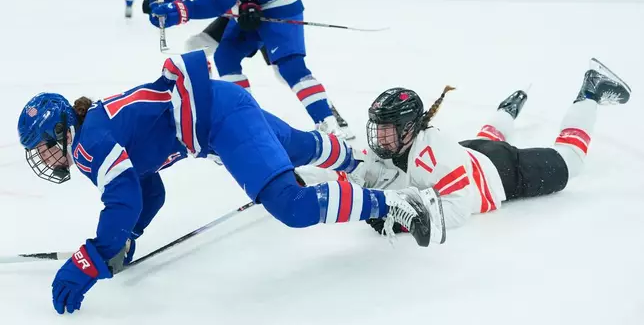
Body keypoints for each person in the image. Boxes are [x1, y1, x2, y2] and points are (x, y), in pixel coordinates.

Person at [17, 51, 444, 315]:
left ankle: (394, 203)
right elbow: (149, 189)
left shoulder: (89, 145)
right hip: (223, 106)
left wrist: (92, 258)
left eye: (41, 147)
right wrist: (126, 239)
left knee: (291, 205)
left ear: (60, 131)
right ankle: (357, 161)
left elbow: (125, 200)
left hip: (219, 121)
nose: (42, 158)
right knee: (296, 146)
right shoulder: (91, 130)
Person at [294, 58, 631, 238]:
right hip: (472, 154)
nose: (379, 139)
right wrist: (302, 179)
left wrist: (403, 219)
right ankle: (507, 109)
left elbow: (457, 209)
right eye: (378, 130)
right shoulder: (393, 150)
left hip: (501, 172)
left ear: (409, 129)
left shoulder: (434, 155)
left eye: (387, 131)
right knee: (485, 139)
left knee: (570, 162)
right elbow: (355, 175)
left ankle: (590, 92)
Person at [144, 0, 353, 138]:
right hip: (246, 8)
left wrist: (179, 11)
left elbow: (220, 1)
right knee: (226, 57)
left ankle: (329, 122)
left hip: (278, 5)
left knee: (290, 68)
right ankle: (246, 119)